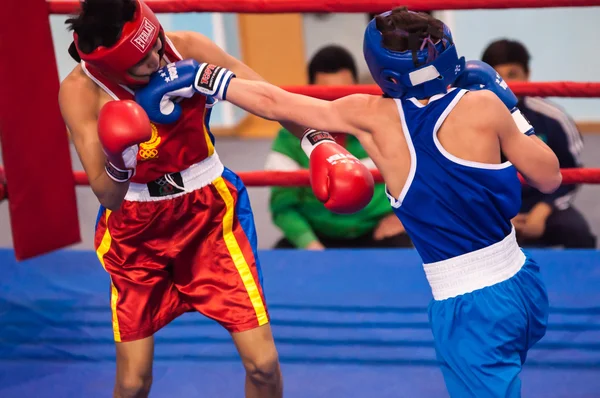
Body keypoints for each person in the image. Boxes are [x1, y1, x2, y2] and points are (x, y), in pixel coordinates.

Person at [136, 7, 563, 397]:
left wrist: (207, 79)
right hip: (525, 283)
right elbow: (550, 177)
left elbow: (277, 102)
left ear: (381, 71)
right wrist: (512, 108)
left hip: (469, 306)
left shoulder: (372, 116)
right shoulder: (486, 106)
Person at [58, 1, 374, 397]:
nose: (159, 57)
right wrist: (123, 154)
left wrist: (319, 141)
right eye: (144, 59)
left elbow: (268, 96)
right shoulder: (80, 92)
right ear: (114, 66)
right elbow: (107, 193)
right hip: (135, 230)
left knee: (263, 365)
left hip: (210, 216)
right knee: (133, 380)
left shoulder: (186, 48)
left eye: (157, 41)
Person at [266, 45, 411, 249]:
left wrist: (401, 220)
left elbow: (420, 180)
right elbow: (282, 206)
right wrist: (308, 242)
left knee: (409, 263)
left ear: (356, 88)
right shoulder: (289, 137)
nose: (335, 104)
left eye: (343, 93)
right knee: (277, 271)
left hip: (375, 232)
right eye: (326, 96)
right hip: (316, 233)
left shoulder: (381, 129)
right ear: (309, 91)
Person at [482, 39, 596, 248]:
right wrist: (497, 214)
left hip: (544, 204)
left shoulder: (552, 117)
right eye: (498, 76)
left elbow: (572, 172)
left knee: (578, 233)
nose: (506, 84)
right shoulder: (473, 120)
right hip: (495, 207)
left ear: (527, 75)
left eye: (513, 74)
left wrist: (543, 210)